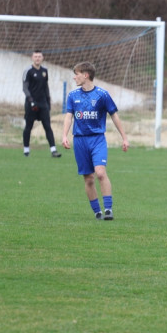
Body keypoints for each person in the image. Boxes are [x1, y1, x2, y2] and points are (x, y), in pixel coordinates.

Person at [62, 61, 129, 220]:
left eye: (77, 74)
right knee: (89, 178)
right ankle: (97, 212)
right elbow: (69, 116)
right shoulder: (73, 96)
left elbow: (114, 115)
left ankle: (108, 210)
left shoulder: (102, 95)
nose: (74, 77)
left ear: (86, 75)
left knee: (100, 172)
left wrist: (124, 138)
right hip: (80, 141)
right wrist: (64, 135)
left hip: (97, 139)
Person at [22, 50, 62, 157]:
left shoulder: (45, 71)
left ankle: (53, 150)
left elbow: (46, 87)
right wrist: (30, 100)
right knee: (28, 127)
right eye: (35, 56)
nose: (37, 58)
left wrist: (48, 101)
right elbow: (25, 88)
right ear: (32, 58)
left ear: (42, 58)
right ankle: (26, 150)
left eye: (39, 56)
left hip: (43, 103)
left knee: (47, 126)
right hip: (31, 103)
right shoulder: (28, 71)